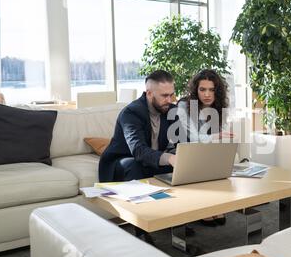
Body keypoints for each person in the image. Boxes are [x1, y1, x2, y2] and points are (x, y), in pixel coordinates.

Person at [98, 70, 178, 183]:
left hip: (152, 160)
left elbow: (183, 142)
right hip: (125, 160)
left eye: (171, 95)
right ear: (149, 93)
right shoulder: (131, 113)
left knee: (178, 165)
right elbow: (138, 150)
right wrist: (169, 158)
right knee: (134, 165)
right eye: (164, 96)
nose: (169, 100)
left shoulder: (172, 110)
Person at [177, 69, 233, 226]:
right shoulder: (184, 105)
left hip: (205, 150)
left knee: (218, 158)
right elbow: (193, 138)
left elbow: (222, 132)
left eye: (211, 90)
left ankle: (215, 204)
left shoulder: (218, 107)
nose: (207, 94)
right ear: (196, 90)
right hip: (184, 149)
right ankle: (204, 208)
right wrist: (217, 137)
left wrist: (221, 139)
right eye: (202, 89)